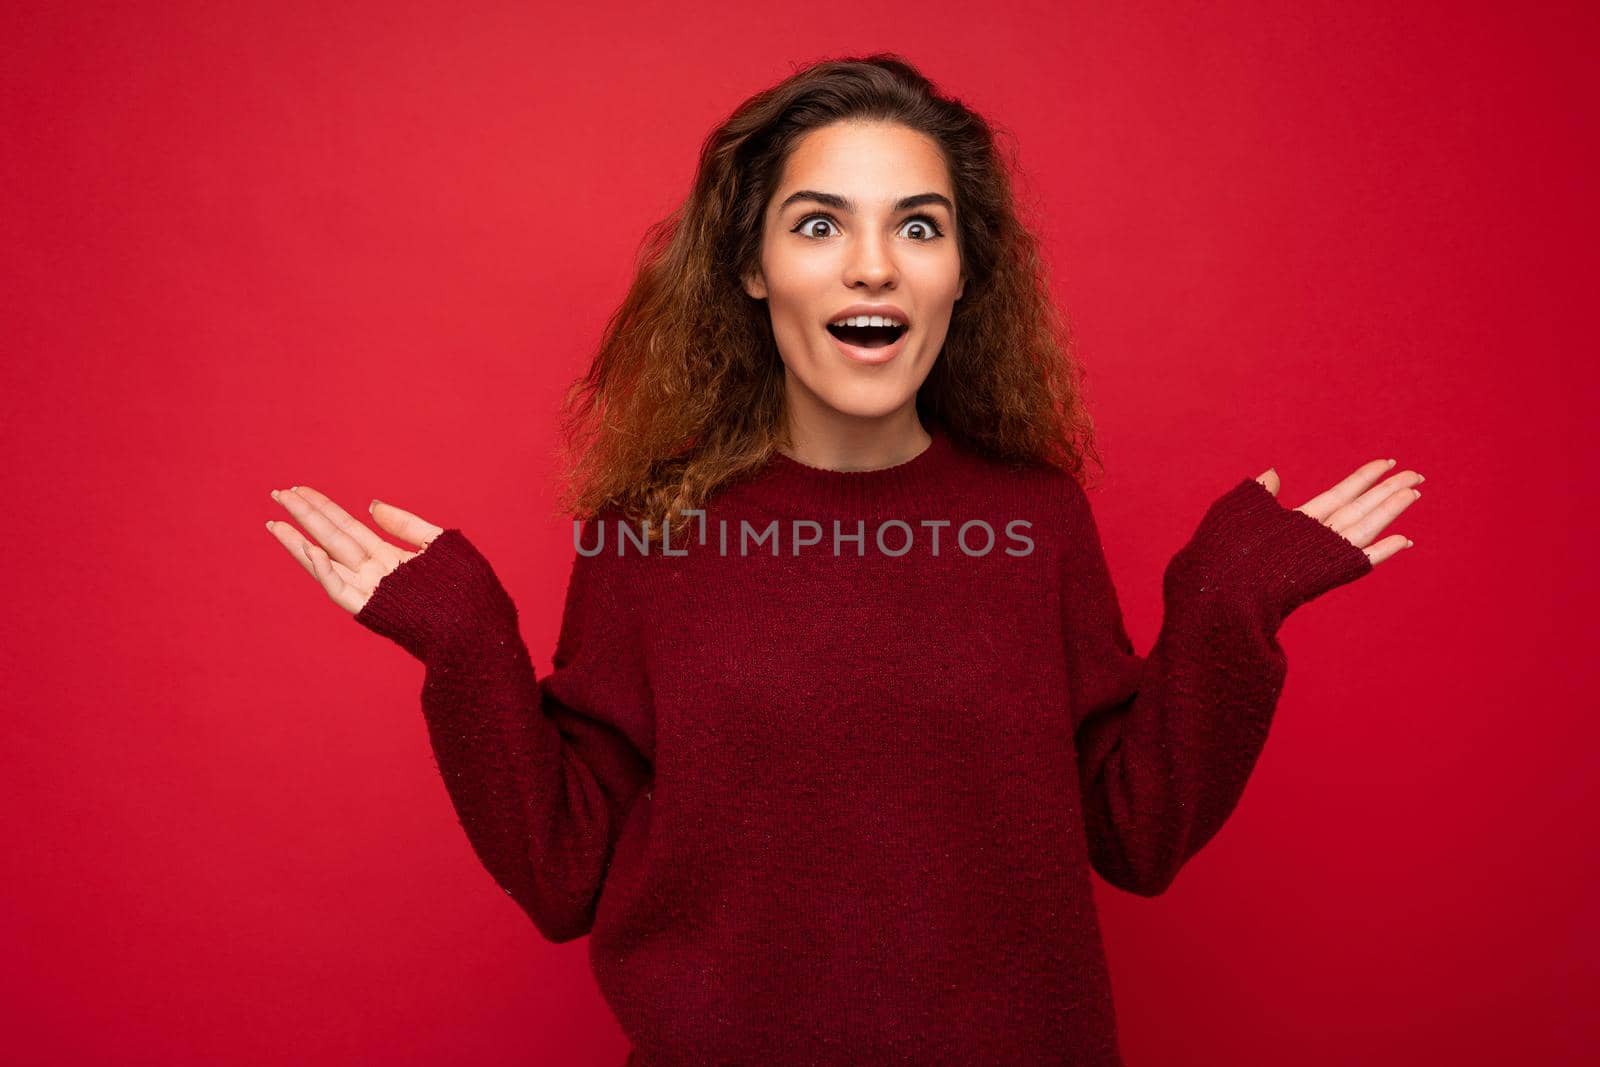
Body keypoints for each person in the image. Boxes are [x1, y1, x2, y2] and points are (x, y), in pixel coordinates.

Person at [263, 54, 1422, 1066]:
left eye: (918, 226)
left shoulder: (1033, 518)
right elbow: (566, 869)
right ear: (754, 268)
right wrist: (464, 638)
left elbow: (1133, 833)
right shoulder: (647, 530)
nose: (873, 265)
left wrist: (1226, 606)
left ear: (964, 274)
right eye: (819, 223)